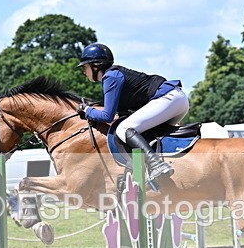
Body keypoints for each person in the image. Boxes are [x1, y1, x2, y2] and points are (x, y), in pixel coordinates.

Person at [77, 43, 189, 183]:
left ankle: (156, 164)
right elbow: (120, 114)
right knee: (141, 133)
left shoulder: (110, 77)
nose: (84, 72)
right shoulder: (114, 76)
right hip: (177, 101)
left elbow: (107, 116)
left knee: (123, 129)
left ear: (96, 65)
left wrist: (87, 110)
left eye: (85, 67)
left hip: (168, 99)